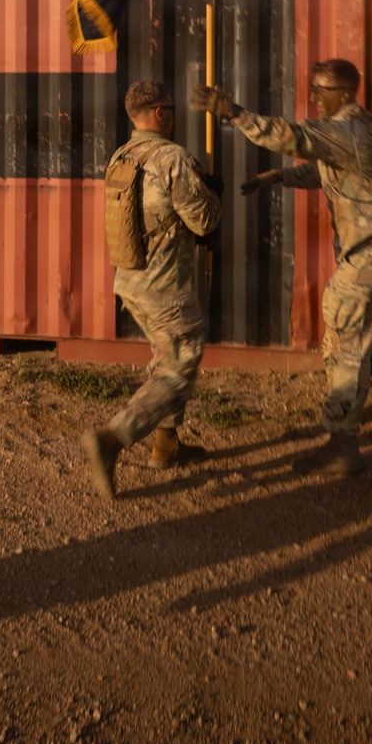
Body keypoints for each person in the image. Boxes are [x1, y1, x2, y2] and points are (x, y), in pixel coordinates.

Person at [190, 59, 372, 476]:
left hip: (371, 250)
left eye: (321, 90)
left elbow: (292, 137)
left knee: (345, 336)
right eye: (313, 88)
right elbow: (337, 172)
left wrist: (231, 111)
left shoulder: (342, 129)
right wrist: (280, 178)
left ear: (344, 92)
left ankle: (342, 445)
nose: (315, 96)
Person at [83, 81, 223, 500]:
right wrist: (213, 194)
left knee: (166, 358)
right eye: (172, 107)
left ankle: (167, 445)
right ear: (160, 113)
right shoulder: (172, 159)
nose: (175, 113)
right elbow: (204, 223)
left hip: (131, 282)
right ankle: (113, 438)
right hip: (167, 289)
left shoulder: (122, 156)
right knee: (178, 370)